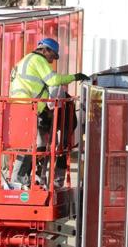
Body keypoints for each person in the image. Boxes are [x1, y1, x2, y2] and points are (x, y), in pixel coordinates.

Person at [9, 37, 89, 188]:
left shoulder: (23, 61)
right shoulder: (37, 59)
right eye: (52, 56)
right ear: (44, 50)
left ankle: (19, 179)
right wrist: (75, 77)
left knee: (28, 144)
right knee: (33, 145)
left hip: (19, 106)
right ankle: (19, 179)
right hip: (29, 106)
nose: (52, 60)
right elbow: (53, 80)